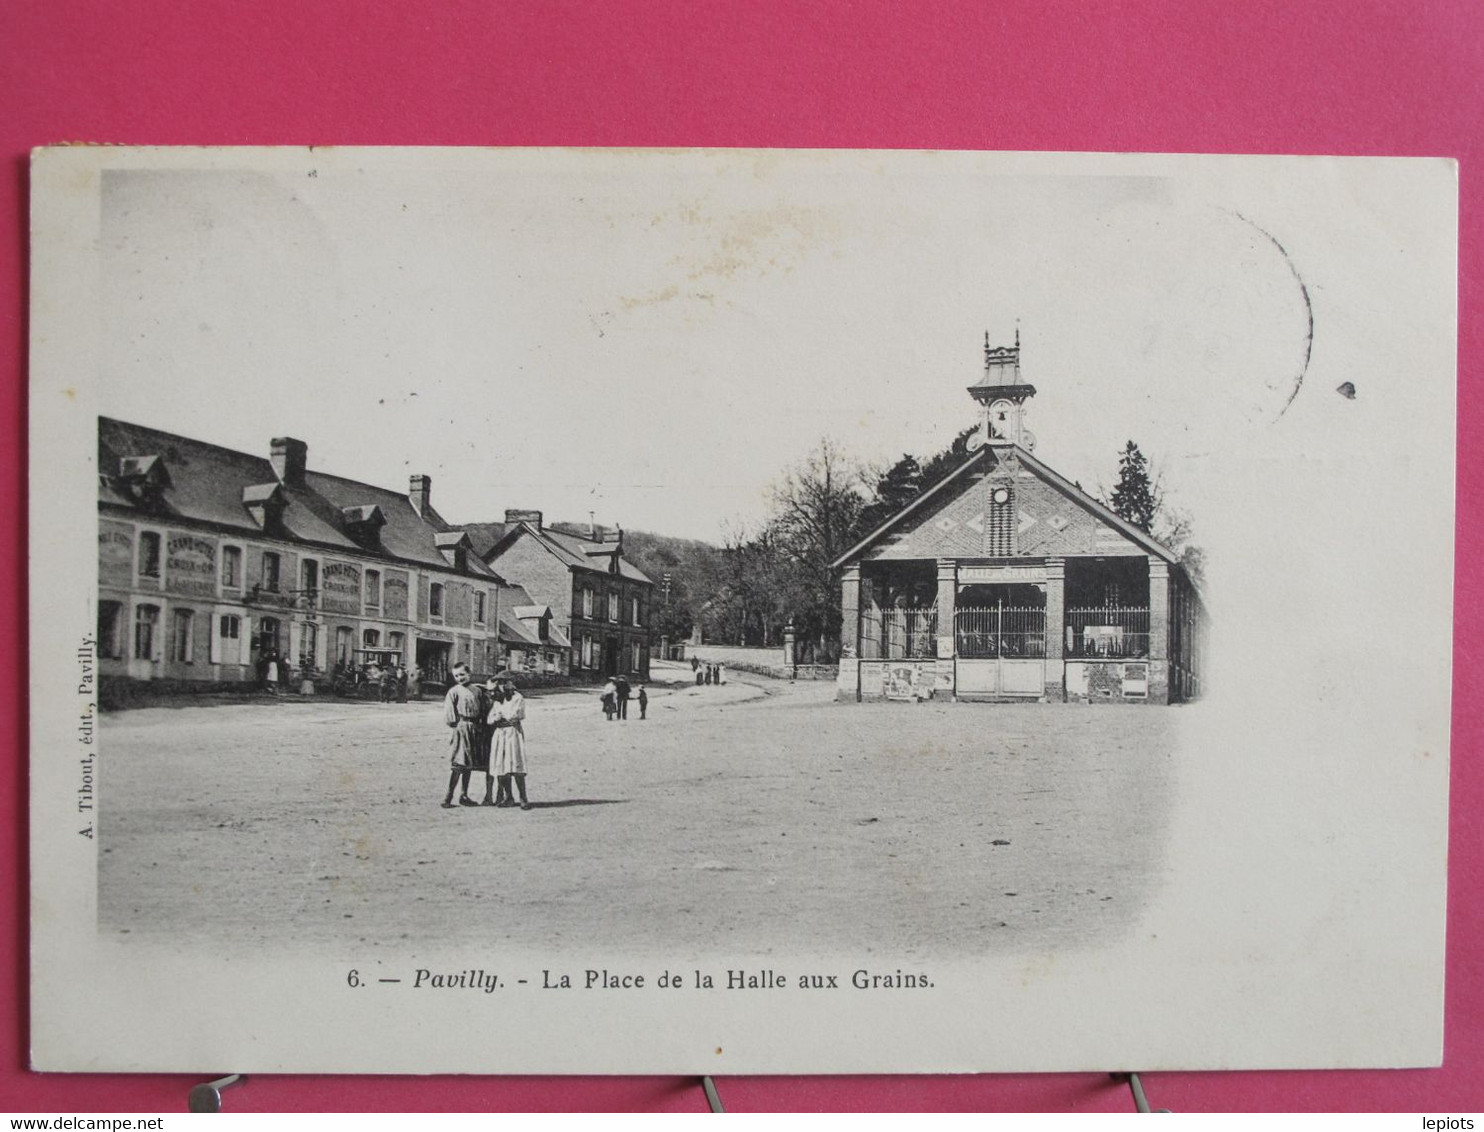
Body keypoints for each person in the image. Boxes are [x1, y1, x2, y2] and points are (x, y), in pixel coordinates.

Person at [440, 662, 483, 808]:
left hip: (474, 728)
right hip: (461, 728)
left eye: (462, 675)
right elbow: (449, 714)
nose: (459, 678)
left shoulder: (477, 690)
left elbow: (483, 707)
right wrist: (457, 725)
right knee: (459, 763)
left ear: (469, 674)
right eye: (456, 676)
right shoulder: (454, 691)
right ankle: (448, 797)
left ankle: (464, 795)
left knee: (468, 764)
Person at [486, 673, 530, 810]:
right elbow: (490, 719)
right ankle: (508, 796)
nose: (502, 687)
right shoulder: (498, 700)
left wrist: (500, 716)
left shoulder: (517, 698)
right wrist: (496, 718)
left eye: (505, 683)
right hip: (500, 734)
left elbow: (515, 716)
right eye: (499, 684)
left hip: (512, 733)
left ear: (510, 683)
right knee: (502, 765)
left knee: (516, 764)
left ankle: (523, 797)